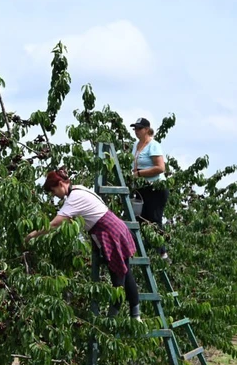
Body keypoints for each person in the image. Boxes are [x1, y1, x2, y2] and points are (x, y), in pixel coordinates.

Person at [25, 170, 141, 319]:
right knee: (125, 271)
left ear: (61, 184)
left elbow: (54, 224)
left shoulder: (74, 198)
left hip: (110, 232)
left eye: (54, 192)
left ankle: (112, 320)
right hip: (114, 228)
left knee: (118, 278)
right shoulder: (80, 188)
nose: (55, 196)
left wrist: (32, 235)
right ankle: (135, 315)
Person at [130, 117, 168, 228]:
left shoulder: (153, 145)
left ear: (147, 129)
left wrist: (140, 174)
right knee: (140, 220)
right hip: (141, 188)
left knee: (154, 222)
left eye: (139, 129)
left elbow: (160, 168)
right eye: (135, 129)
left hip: (155, 188)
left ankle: (159, 246)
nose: (136, 131)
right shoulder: (135, 145)